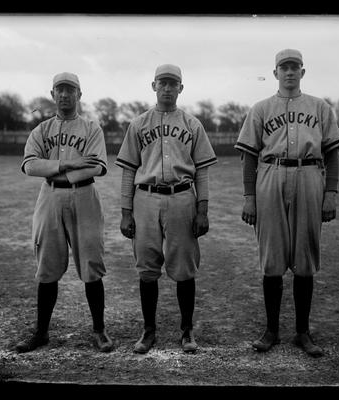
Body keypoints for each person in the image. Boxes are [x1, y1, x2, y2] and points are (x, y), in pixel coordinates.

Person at [235, 49, 339, 357]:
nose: (289, 72)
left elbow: (334, 153)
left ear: (302, 72)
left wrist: (331, 192)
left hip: (310, 174)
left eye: (295, 67)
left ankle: (302, 332)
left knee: (304, 259)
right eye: (284, 67)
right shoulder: (260, 109)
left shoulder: (320, 108)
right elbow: (248, 157)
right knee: (272, 259)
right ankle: (271, 330)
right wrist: (249, 198)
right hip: (270, 175)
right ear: (275, 73)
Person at [115, 64, 217, 354]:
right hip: (145, 198)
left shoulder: (192, 124)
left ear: (181, 88)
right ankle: (149, 331)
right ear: (154, 86)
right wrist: (125, 211)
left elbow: (202, 172)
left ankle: (187, 331)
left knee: (184, 267)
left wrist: (203, 209)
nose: (168, 88)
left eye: (173, 84)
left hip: (182, 197)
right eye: (163, 83)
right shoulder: (138, 124)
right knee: (147, 268)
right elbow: (128, 171)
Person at [15, 72, 114, 353]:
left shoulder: (92, 128)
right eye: (60, 89)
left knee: (92, 265)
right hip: (50, 196)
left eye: (70, 90)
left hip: (85, 195)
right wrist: (66, 164)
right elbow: (30, 166)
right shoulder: (41, 130)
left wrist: (55, 165)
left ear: (79, 95)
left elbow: (96, 166)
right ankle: (41, 332)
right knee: (46, 267)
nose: (64, 95)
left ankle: (99, 330)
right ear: (52, 94)